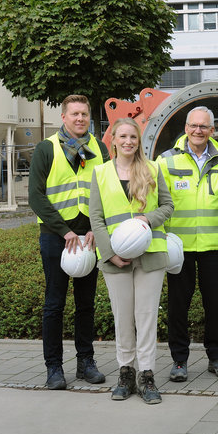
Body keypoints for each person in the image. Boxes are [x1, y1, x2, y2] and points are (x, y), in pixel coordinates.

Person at [90, 118, 174, 403]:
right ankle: (126, 372)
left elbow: (167, 206)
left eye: (133, 138)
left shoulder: (152, 169)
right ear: (113, 140)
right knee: (123, 317)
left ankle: (147, 374)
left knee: (146, 317)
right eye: (122, 136)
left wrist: (147, 219)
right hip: (116, 257)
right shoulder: (100, 173)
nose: (128, 142)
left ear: (139, 141)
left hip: (150, 255)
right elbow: (96, 218)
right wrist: (109, 253)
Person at [28, 94, 108, 390]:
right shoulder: (46, 149)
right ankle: (54, 367)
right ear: (63, 117)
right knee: (54, 304)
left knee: (86, 304)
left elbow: (110, 192)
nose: (79, 119)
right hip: (56, 237)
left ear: (89, 117)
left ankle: (86, 362)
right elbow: (36, 197)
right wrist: (64, 231)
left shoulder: (99, 149)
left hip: (89, 238)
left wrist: (97, 231)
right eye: (74, 114)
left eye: (84, 114)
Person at [157, 106, 218, 382]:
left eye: (204, 126)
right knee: (178, 306)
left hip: (214, 247)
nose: (198, 131)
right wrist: (162, 244)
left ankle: (216, 358)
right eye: (193, 125)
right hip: (178, 248)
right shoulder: (166, 161)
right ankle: (179, 361)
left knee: (214, 306)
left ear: (212, 130)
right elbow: (158, 205)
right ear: (186, 128)